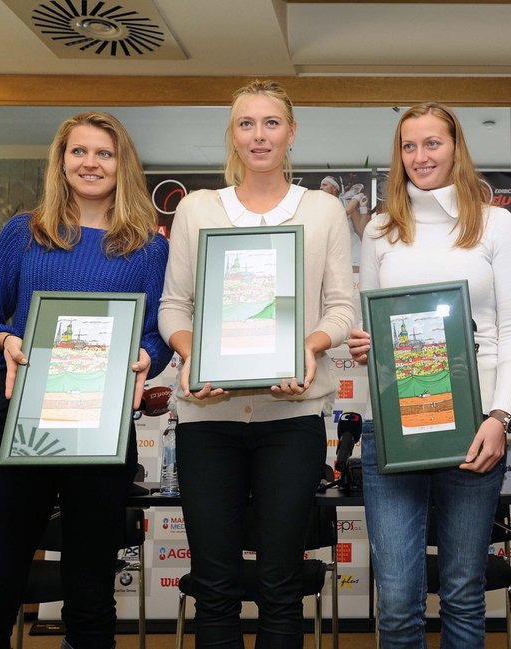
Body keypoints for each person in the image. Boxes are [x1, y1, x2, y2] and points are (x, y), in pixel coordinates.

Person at [0, 111, 171, 649]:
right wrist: (5, 342)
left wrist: (146, 356)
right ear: (61, 161)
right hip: (22, 423)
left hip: (100, 429)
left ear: (122, 164)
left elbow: (159, 333)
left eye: (104, 153)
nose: (91, 163)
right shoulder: (23, 233)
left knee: (91, 593)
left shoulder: (149, 246)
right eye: (79, 151)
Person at [157, 80, 354, 649]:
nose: (259, 134)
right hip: (206, 420)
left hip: (290, 421)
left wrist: (309, 348)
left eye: (272, 123)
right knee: (214, 586)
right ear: (233, 135)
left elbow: (341, 307)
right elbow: (175, 306)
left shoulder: (322, 211)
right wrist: (197, 356)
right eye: (247, 123)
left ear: (291, 133)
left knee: (280, 585)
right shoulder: (197, 209)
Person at [347, 102, 511, 648]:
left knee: (462, 591)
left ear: (456, 148)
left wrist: (502, 414)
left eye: (433, 143)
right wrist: (365, 342)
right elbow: (370, 327)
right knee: (399, 598)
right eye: (409, 146)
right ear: (397, 156)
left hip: (477, 428)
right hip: (395, 431)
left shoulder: (496, 223)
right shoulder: (380, 229)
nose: (420, 156)